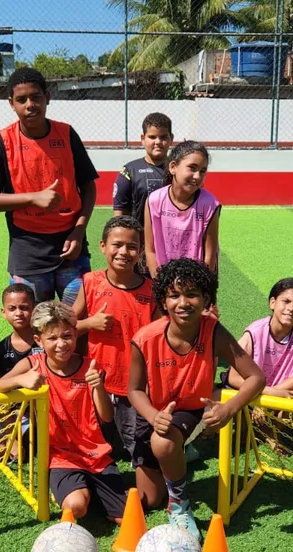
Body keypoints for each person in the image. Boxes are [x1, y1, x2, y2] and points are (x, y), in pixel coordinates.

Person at [128, 258, 265, 538]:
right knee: (149, 498)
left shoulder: (213, 331)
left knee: (163, 442)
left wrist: (228, 409)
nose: (183, 302)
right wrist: (153, 416)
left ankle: (179, 505)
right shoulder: (144, 338)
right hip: (154, 411)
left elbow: (256, 378)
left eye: (192, 294)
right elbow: (135, 390)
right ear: (163, 300)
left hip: (191, 410)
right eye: (174, 295)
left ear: (206, 299)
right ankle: (182, 452)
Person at [0, 302, 127, 523]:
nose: (61, 344)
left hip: (96, 453)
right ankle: (71, 491)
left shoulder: (90, 366)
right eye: (52, 338)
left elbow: (107, 417)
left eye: (67, 336)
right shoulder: (32, 365)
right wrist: (20, 380)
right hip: (61, 457)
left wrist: (98, 387)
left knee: (124, 517)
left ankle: (89, 490)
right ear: (38, 340)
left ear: (75, 334)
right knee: (76, 507)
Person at [0, 67, 99, 305]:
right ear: (12, 103)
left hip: (71, 247)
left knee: (77, 322)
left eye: (36, 97)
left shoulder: (67, 134)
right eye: (22, 100)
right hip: (27, 252)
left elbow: (88, 186)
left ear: (47, 98)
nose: (30, 104)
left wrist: (80, 229)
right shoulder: (2, 142)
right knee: (34, 327)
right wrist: (33, 198)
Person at [72, 215, 158, 463]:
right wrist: (90, 323)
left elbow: (160, 340)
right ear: (102, 247)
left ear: (141, 251)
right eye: (117, 245)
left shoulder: (150, 291)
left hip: (133, 385)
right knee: (97, 442)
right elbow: (65, 330)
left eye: (132, 246)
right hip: (97, 381)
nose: (124, 252)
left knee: (136, 445)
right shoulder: (90, 283)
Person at [225, 277, 293, 401]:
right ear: (272, 302)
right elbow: (233, 378)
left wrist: (275, 394)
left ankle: (275, 421)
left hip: (278, 392)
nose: (291, 308)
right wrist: (268, 393)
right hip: (251, 393)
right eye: (286, 301)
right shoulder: (255, 332)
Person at [143, 141, 221, 278]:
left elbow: (210, 256)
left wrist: (201, 289)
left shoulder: (209, 204)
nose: (197, 176)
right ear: (173, 167)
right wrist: (159, 283)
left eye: (202, 171)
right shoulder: (154, 201)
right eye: (192, 168)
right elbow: (150, 250)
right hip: (164, 283)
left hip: (197, 286)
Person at [114, 113, 174, 276]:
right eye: (152, 136)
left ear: (171, 139)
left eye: (163, 137)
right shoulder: (130, 171)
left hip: (171, 244)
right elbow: (119, 213)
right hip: (139, 245)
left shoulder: (178, 170)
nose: (158, 142)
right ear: (143, 138)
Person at [0, 283, 43, 377]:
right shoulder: (0, 349)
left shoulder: (46, 341)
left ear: (34, 309)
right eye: (12, 308)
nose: (18, 313)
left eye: (24, 308)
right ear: (4, 312)